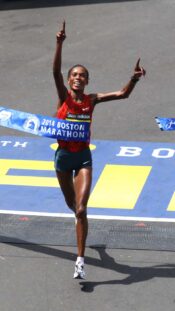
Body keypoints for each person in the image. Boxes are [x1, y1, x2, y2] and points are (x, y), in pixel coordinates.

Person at [53, 21, 146, 279]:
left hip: (83, 158)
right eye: (74, 75)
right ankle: (82, 226)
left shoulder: (92, 99)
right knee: (72, 206)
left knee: (81, 209)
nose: (77, 78)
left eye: (82, 75)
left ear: (87, 80)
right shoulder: (64, 97)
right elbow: (55, 73)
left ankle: (79, 260)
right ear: (70, 80)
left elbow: (123, 94)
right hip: (63, 158)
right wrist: (59, 44)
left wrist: (133, 79)